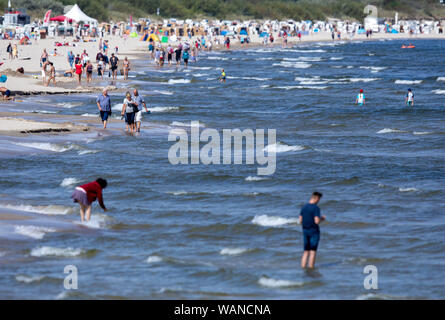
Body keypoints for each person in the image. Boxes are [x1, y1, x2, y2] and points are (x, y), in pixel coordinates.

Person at [299, 192, 325, 268]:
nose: (319, 201)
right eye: (319, 199)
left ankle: (303, 267)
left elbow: (300, 220)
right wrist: (322, 219)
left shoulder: (304, 207)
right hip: (313, 231)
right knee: (312, 251)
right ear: (316, 198)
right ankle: (311, 268)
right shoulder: (315, 208)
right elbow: (316, 221)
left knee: (306, 251)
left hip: (305, 230)